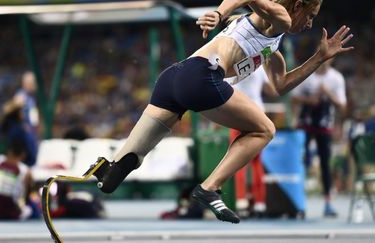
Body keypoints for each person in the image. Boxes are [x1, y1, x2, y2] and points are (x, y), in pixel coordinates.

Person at [87, 0, 353, 223]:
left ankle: (107, 173)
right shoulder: (280, 17)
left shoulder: (273, 44)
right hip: (202, 76)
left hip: (173, 78)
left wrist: (319, 58)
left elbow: (281, 85)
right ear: (298, 6)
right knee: (265, 130)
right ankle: (209, 188)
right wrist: (218, 13)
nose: (309, 24)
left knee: (126, 164)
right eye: (310, 16)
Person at [291, 58, 347, 217]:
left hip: (324, 125)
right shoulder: (306, 73)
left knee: (325, 164)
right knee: (301, 162)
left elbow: (342, 106)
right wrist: (310, 99)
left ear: (332, 59)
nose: (324, 61)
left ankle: (328, 203)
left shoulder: (336, 78)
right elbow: (293, 98)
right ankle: (298, 202)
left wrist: (327, 92)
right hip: (305, 124)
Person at [226, 67, 277, 218]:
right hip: (257, 114)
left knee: (237, 161)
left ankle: (242, 203)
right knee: (256, 162)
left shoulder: (232, 66)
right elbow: (273, 91)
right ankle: (260, 204)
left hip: (238, 115)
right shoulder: (260, 66)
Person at [0, 140, 34, 220]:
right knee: (31, 210)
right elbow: (25, 195)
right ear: (23, 155)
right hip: (10, 211)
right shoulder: (25, 171)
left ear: (8, 151)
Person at [0, 101, 38, 167]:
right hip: (18, 167)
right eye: (22, 111)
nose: (24, 114)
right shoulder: (21, 131)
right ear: (18, 114)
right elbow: (32, 157)